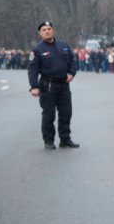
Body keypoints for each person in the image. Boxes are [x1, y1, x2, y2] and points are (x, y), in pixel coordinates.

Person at [27, 21, 80, 149]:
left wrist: (72, 73)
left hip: (64, 85)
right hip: (48, 85)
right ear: (40, 33)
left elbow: (72, 60)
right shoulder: (37, 49)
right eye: (44, 29)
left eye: (49, 29)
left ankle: (65, 139)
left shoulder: (64, 46)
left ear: (53, 30)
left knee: (66, 113)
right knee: (49, 115)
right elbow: (32, 69)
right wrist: (34, 86)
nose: (47, 31)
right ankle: (49, 140)